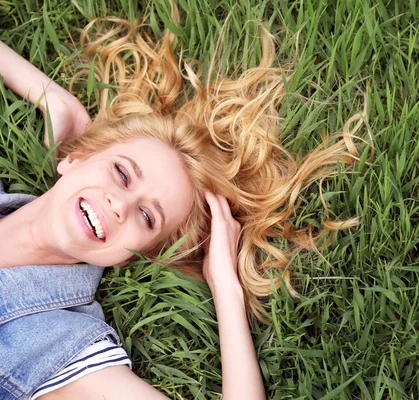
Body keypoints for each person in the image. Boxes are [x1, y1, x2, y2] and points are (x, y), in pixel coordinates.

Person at [0, 8, 362, 400]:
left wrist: (226, 290)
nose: (119, 204)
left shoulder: (59, 346)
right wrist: (56, 99)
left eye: (146, 216)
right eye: (122, 173)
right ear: (75, 158)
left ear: (128, 256)